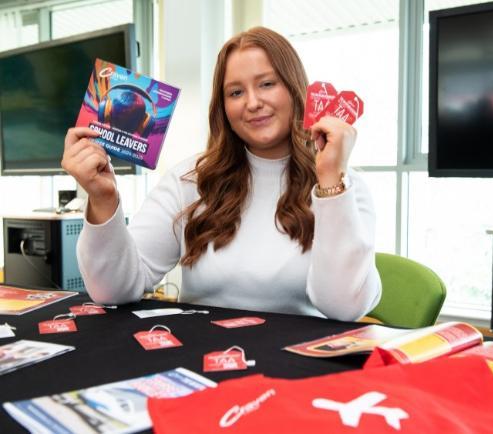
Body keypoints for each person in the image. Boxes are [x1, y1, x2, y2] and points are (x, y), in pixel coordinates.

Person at [61, 26, 381, 322]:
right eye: (236, 92)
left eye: (267, 84)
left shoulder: (343, 186)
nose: (253, 103)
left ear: (295, 89)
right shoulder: (189, 179)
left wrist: (330, 181)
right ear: (223, 108)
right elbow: (112, 290)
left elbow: (344, 308)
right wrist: (103, 199)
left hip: (296, 369)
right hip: (200, 360)